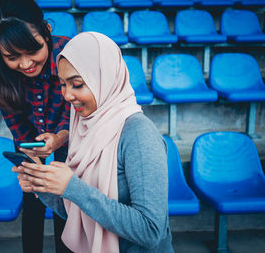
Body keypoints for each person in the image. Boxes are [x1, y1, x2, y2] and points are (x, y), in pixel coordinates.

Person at [14, 32, 174, 253]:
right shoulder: (84, 126)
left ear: (105, 79)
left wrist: (72, 187)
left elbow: (150, 231)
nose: (67, 95)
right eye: (62, 84)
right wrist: (42, 186)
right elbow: (78, 210)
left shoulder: (138, 134)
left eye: (77, 84)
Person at [0, 0, 72, 253]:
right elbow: (15, 119)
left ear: (47, 30)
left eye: (33, 50)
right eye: (12, 57)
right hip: (33, 139)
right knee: (32, 196)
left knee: (68, 202)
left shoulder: (72, 54)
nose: (26, 63)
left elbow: (79, 106)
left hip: (76, 136)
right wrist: (29, 151)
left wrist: (61, 136)